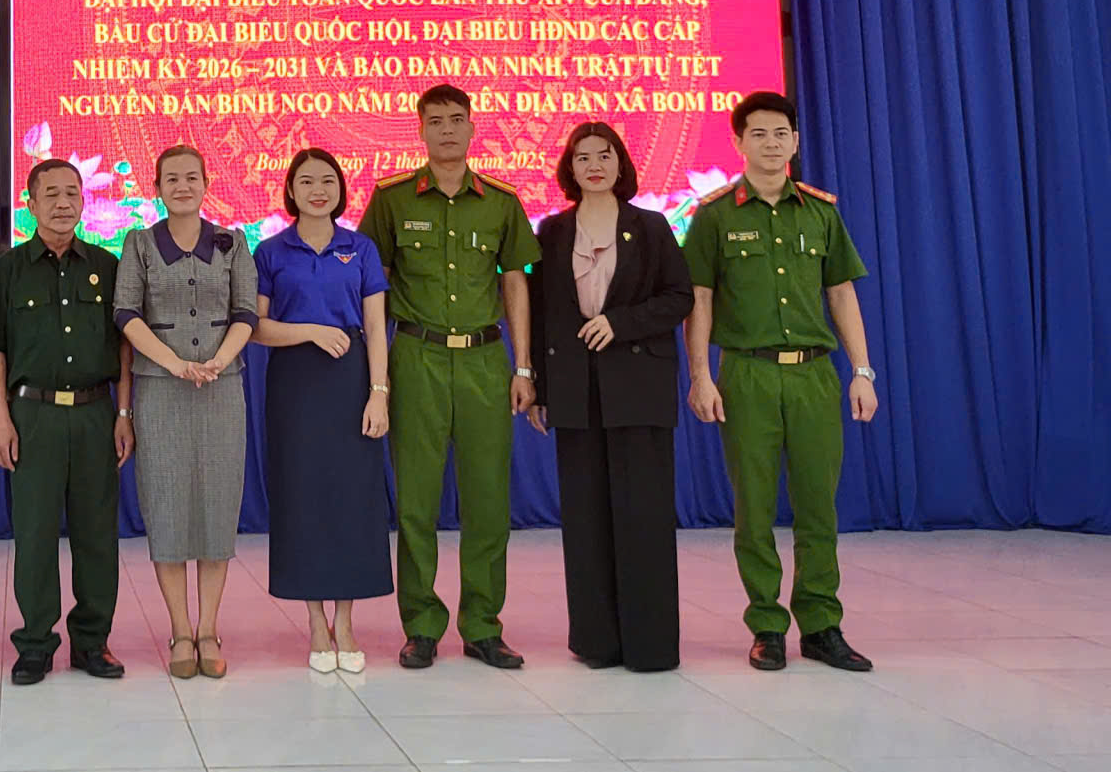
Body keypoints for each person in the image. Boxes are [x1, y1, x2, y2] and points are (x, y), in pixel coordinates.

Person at [683, 90, 879, 675]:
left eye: (781, 134)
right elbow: (699, 300)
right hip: (748, 374)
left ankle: (821, 624)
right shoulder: (715, 215)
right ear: (738, 142)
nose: (771, 144)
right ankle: (767, 625)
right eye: (759, 134)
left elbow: (841, 294)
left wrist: (862, 371)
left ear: (795, 140)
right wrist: (700, 375)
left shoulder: (821, 212)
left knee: (819, 505)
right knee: (754, 506)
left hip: (814, 374)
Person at [362, 83, 538, 670]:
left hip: (486, 360)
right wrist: (378, 375)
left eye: (456, 119)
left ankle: (483, 625)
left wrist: (522, 365)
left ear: (471, 127)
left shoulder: (501, 201)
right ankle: (421, 624)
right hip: (418, 357)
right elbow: (373, 286)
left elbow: (515, 282)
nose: (446, 130)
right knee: (416, 501)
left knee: (487, 499)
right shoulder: (391, 199)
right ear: (420, 129)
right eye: (435, 121)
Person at [524, 123, 693, 673]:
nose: (594, 165)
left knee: (643, 517)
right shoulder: (552, 231)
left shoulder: (650, 226)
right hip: (576, 391)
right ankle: (596, 641)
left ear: (621, 163)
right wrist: (539, 387)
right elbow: (544, 312)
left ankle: (650, 646)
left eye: (604, 155)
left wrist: (620, 323)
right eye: (583, 157)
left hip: (638, 388)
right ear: (569, 168)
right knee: (585, 519)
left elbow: (679, 297)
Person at [0, 158, 135, 685]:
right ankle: (35, 643)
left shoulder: (108, 267)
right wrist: (1, 421)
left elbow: (125, 349)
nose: (63, 203)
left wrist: (123, 413)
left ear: (84, 201)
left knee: (97, 534)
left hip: (94, 413)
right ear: (31, 203)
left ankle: (92, 642)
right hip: (33, 415)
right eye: (51, 194)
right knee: (35, 534)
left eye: (72, 193)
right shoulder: (8, 270)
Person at [114, 145, 255, 679]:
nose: (182, 186)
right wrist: (173, 362)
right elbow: (125, 313)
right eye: (171, 178)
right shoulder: (139, 243)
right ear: (156, 188)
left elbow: (246, 311)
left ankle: (209, 629)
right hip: (160, 392)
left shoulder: (232, 242)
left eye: (191, 177)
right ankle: (179, 630)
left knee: (218, 508)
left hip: (222, 388)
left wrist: (219, 359)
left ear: (206, 184)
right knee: (168, 509)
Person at [252, 147, 392, 674]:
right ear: (290, 190)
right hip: (294, 382)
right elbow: (256, 327)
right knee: (302, 498)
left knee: (352, 500)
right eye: (307, 181)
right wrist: (310, 331)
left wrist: (379, 391)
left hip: (351, 379)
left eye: (328, 181)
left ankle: (347, 623)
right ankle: (315, 622)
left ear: (341, 189)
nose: (318, 190)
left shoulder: (360, 248)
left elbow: (375, 326)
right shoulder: (271, 251)